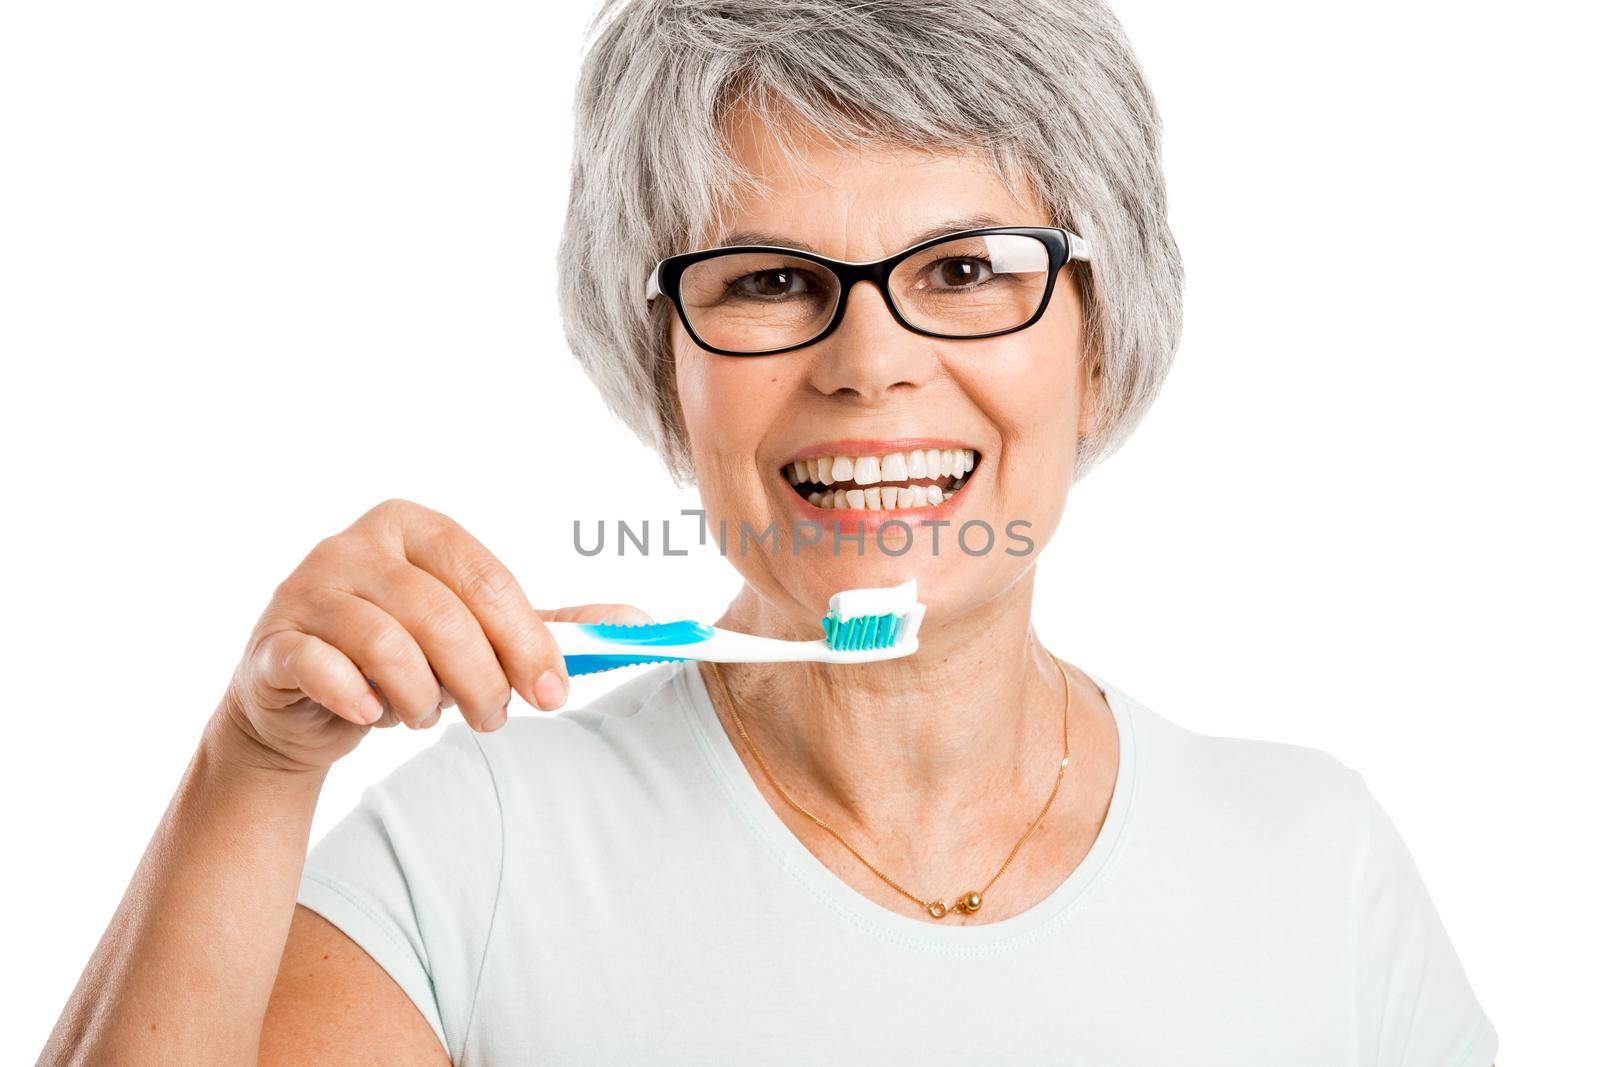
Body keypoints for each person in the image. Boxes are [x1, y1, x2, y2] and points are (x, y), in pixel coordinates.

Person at [41, 0, 1497, 1063]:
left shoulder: (1317, 864)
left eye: (967, 267)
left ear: (1100, 346)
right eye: (767, 282)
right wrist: (255, 767)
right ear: (663, 369)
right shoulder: (473, 859)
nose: (868, 359)